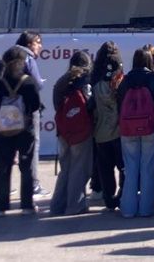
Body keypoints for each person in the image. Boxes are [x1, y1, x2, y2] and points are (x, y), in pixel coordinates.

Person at [0, 48, 44, 216]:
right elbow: (36, 104)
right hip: (25, 130)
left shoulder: (0, 82)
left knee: (4, 167)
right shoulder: (28, 81)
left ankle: (0, 206)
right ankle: (27, 205)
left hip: (5, 130)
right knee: (26, 166)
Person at [117, 48, 154, 218]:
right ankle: (146, 209)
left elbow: (119, 102)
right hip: (151, 127)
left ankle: (128, 209)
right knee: (148, 167)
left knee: (130, 169)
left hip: (128, 128)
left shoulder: (126, 79)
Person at [50, 51, 95, 216]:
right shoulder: (85, 82)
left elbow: (57, 106)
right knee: (79, 169)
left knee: (65, 169)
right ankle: (75, 205)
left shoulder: (62, 82)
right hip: (82, 131)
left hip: (63, 132)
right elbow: (90, 105)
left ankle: (57, 205)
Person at [13, 31, 48, 198]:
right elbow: (37, 84)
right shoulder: (29, 59)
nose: (40, 46)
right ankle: (33, 185)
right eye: (37, 42)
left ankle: (0, 188)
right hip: (28, 109)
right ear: (29, 44)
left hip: (9, 109)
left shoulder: (9, 56)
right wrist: (40, 83)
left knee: (8, 148)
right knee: (31, 148)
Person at [91, 41, 125, 212]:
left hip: (101, 130)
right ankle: (122, 195)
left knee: (105, 167)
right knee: (123, 166)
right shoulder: (119, 79)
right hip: (119, 129)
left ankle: (108, 197)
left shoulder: (94, 80)